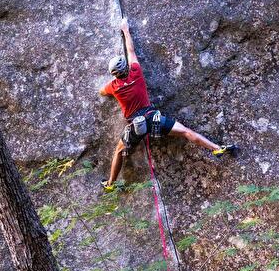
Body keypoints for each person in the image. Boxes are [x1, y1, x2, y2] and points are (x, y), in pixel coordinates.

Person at [99, 18, 236, 190]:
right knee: (186, 131)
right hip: (153, 118)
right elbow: (131, 51)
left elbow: (102, 92)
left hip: (136, 126)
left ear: (114, 74)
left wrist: (109, 88)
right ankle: (216, 148)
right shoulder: (136, 72)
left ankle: (110, 184)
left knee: (119, 151)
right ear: (126, 67)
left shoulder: (113, 87)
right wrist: (126, 30)